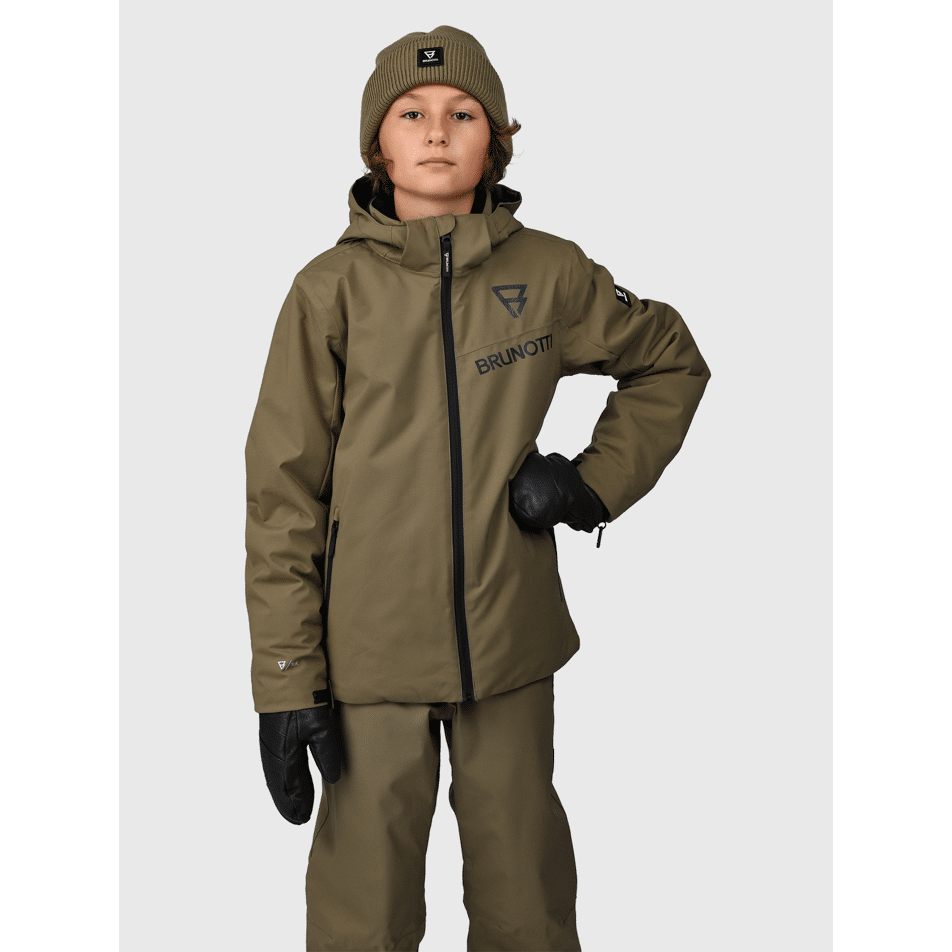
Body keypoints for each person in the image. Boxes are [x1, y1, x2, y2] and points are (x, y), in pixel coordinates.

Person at [245, 25, 710, 952]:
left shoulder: (550, 273)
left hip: (510, 644)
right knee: (363, 916)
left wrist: (587, 487)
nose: (436, 130)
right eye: (411, 113)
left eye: (463, 114)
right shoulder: (329, 291)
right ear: (377, 143)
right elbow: (282, 494)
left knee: (525, 903)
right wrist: (287, 677)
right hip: (368, 660)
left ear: (496, 139)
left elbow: (669, 362)